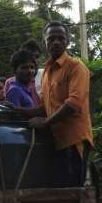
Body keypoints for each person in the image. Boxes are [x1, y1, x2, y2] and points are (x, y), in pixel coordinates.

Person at [14, 22, 93, 187]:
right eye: (51, 39)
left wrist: (46, 122)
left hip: (73, 140)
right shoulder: (46, 72)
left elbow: (73, 103)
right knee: (59, 189)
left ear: (68, 41)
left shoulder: (76, 67)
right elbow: (45, 107)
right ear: (45, 42)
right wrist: (17, 110)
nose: (56, 42)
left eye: (60, 38)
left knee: (73, 190)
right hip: (55, 141)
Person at [4, 39, 42, 106]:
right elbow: (14, 111)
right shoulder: (14, 90)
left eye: (32, 67)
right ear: (15, 70)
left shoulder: (44, 75)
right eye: (24, 67)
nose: (30, 71)